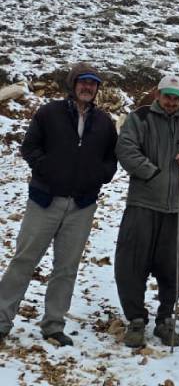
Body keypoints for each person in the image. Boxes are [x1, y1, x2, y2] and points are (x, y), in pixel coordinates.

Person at [0, 63, 117, 346]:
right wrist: (45, 169)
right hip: (45, 200)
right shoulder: (49, 113)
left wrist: (100, 176)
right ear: (73, 84)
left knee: (66, 267)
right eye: (83, 82)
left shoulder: (104, 122)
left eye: (93, 83)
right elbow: (29, 147)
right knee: (24, 260)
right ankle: (2, 321)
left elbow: (111, 158)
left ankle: (53, 325)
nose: (88, 87)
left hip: (82, 205)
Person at [115, 74, 179, 347]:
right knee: (132, 264)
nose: (172, 102)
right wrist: (152, 173)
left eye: (177, 98)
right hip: (143, 203)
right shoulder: (139, 118)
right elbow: (126, 149)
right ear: (157, 95)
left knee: (173, 266)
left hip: (178, 206)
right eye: (168, 96)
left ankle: (165, 319)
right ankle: (136, 320)